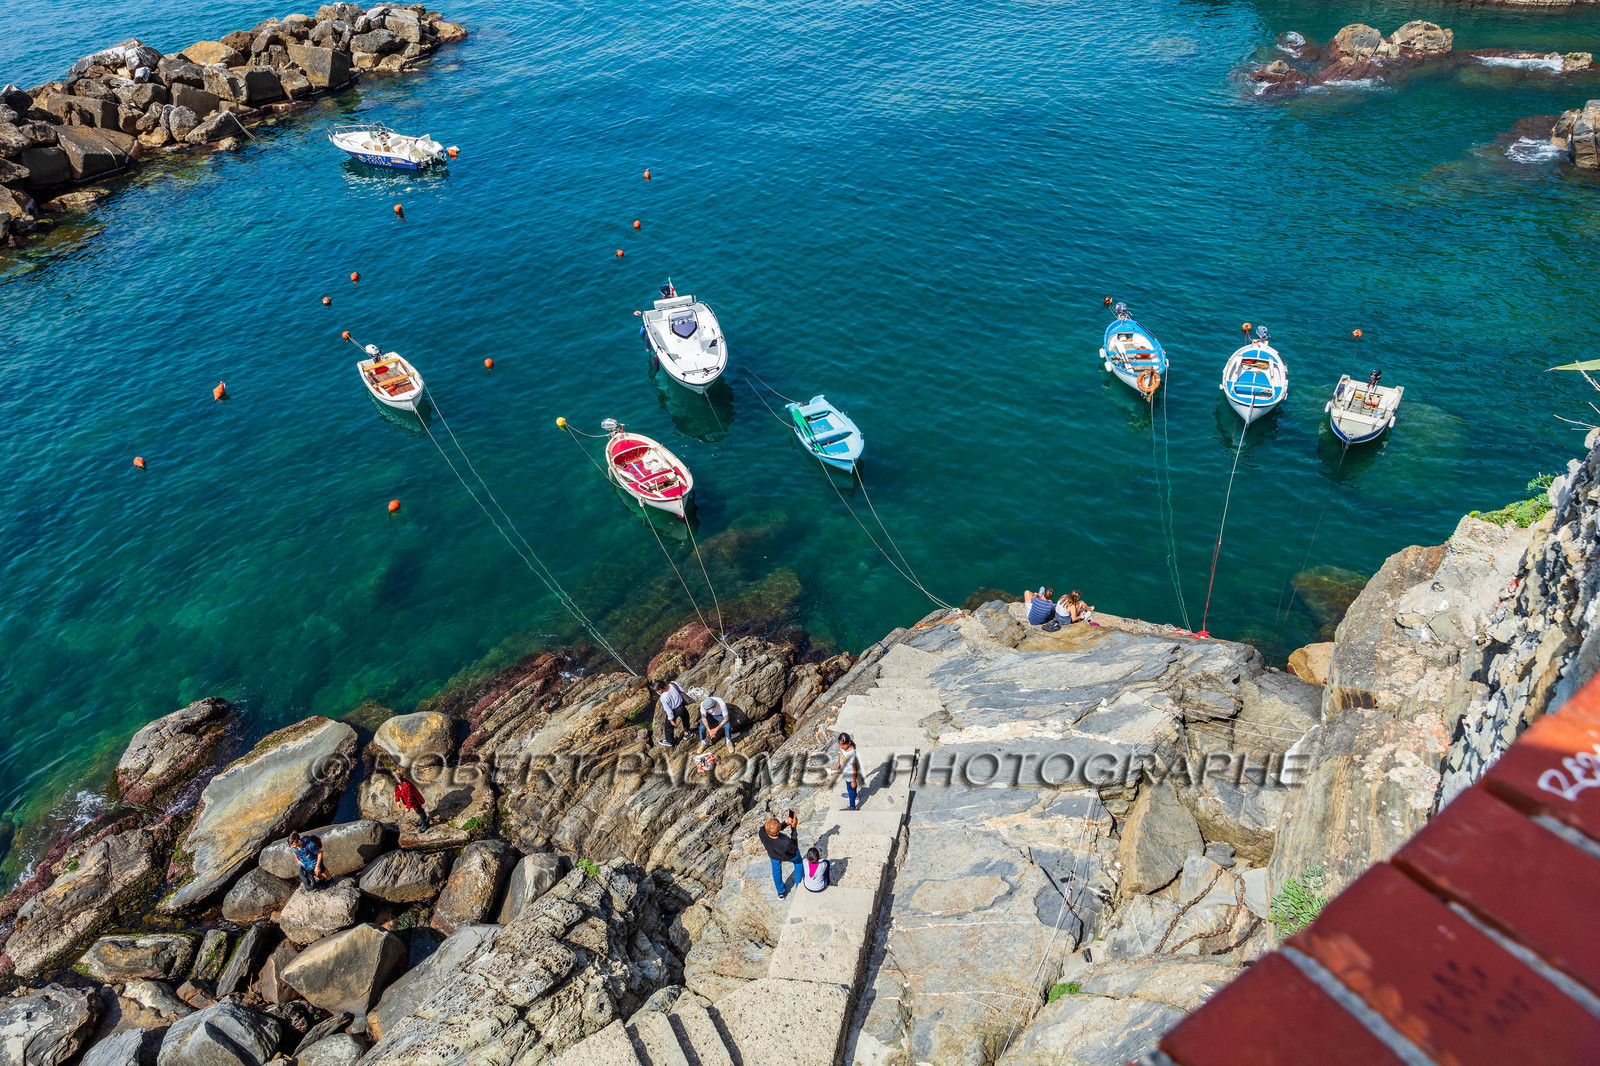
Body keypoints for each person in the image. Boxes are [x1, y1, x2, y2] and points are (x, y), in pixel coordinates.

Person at [759, 810, 802, 899]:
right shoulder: (785, 842)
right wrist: (793, 827)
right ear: (778, 831)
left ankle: (780, 893)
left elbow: (772, 831)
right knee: (798, 862)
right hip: (789, 856)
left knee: (776, 871)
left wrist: (785, 823)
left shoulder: (762, 832)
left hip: (774, 855)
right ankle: (799, 884)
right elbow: (794, 847)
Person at [653, 679, 688, 746]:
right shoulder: (673, 684)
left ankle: (670, 742)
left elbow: (668, 710)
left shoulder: (663, 697)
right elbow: (682, 690)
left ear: (660, 689)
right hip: (681, 707)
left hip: (674, 711)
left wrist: (671, 719)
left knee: (668, 727)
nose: (657, 692)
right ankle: (687, 733)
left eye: (657, 690)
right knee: (685, 719)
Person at [837, 732, 860, 811]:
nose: (841, 747)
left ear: (849, 743)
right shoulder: (843, 746)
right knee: (851, 788)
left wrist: (854, 780)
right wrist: (839, 762)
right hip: (846, 771)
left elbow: (855, 768)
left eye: (843, 745)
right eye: (839, 745)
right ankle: (854, 795)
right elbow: (840, 753)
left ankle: (852, 807)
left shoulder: (851, 754)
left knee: (850, 788)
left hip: (850, 774)